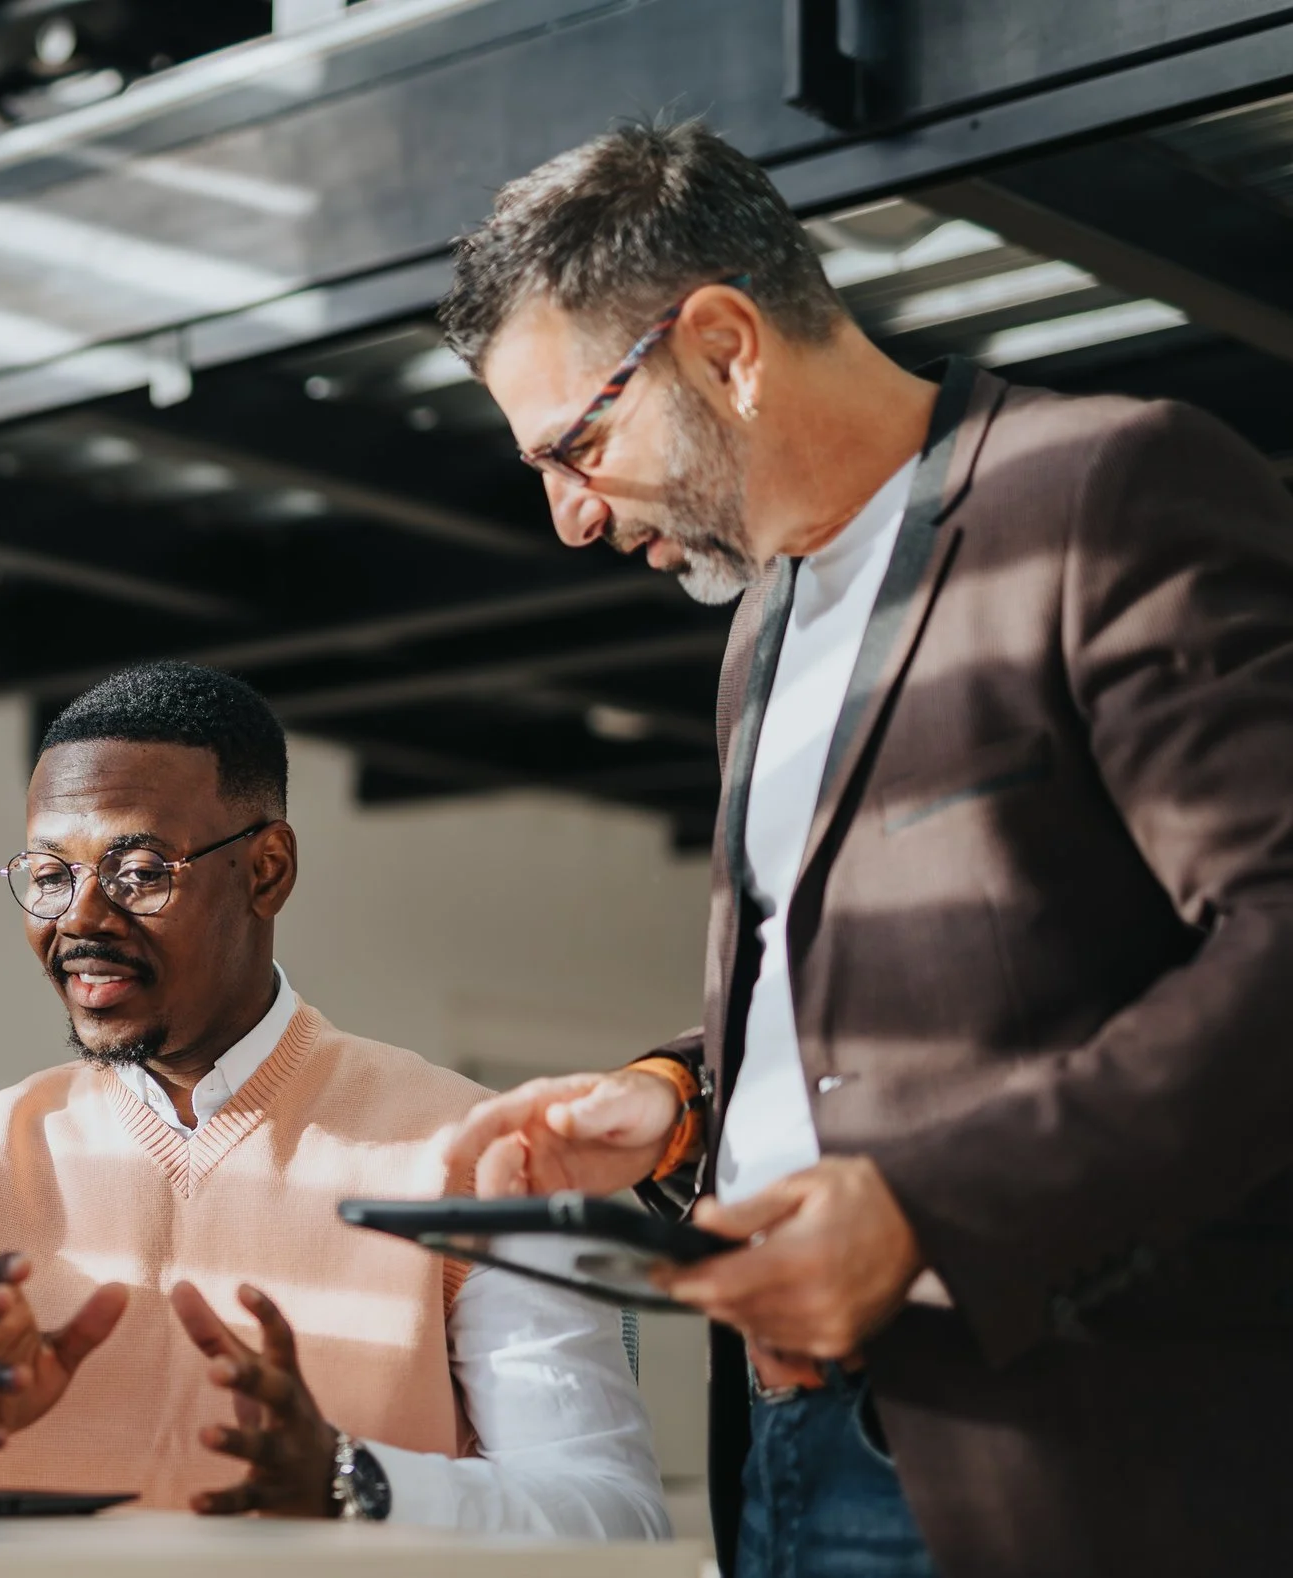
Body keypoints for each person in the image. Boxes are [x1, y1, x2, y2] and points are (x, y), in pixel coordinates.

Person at [437, 120, 1293, 1578]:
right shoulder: (761, 630)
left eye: (576, 444)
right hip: (784, 1450)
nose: (570, 517)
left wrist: (925, 1213)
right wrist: (680, 1100)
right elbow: (872, 1015)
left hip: (1055, 1455)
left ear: (723, 345)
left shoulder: (1101, 496)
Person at [0, 662, 670, 1536]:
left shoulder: (480, 1158)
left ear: (267, 871)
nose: (80, 918)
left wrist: (354, 1484)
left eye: (139, 871)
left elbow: (617, 1515)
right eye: (47, 873)